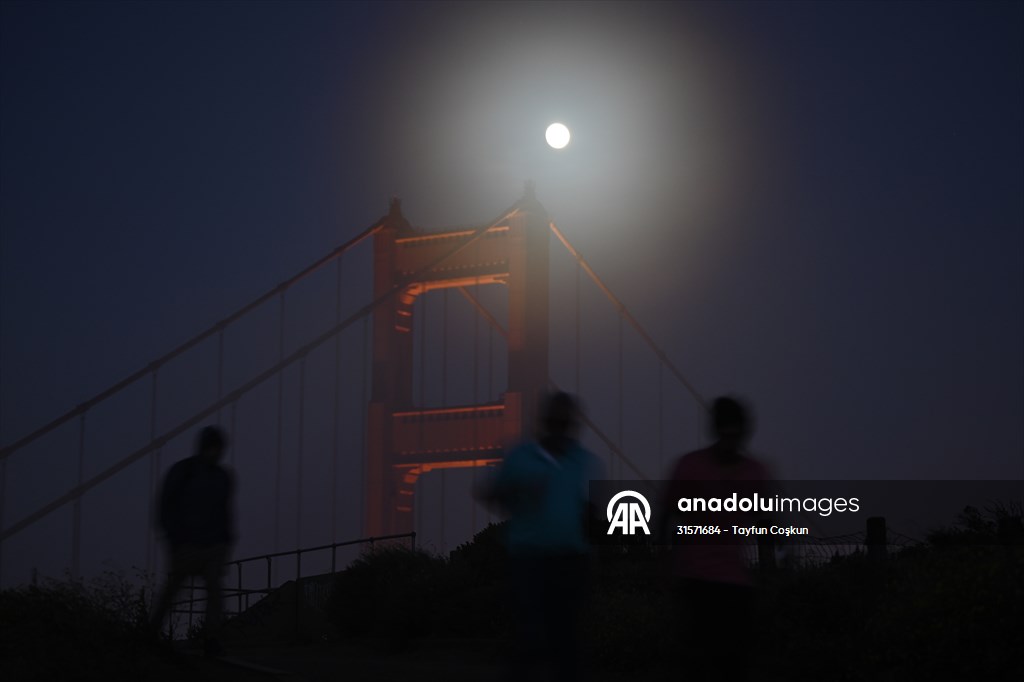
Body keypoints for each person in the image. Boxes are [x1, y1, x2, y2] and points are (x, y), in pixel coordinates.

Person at [479, 391, 603, 682]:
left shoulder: (586, 461)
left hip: (572, 562)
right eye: (556, 420)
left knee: (569, 646)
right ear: (545, 422)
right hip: (529, 561)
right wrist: (518, 492)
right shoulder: (520, 456)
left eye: (565, 421)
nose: (560, 426)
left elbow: (593, 514)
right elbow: (491, 493)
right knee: (529, 642)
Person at [662, 396, 771, 682]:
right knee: (696, 666)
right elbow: (664, 516)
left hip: (736, 587)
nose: (730, 437)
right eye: (725, 429)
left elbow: (769, 524)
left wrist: (777, 567)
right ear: (716, 429)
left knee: (733, 667)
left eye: (735, 430)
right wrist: (665, 567)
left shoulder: (755, 472)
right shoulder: (690, 466)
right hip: (694, 584)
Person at [148, 425, 235, 655]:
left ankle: (211, 639)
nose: (215, 452)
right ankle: (149, 633)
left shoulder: (223, 477)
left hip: (213, 546)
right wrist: (175, 540)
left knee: (214, 592)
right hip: (187, 544)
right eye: (212, 447)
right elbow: (165, 506)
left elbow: (225, 511)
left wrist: (226, 541)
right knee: (173, 589)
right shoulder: (184, 471)